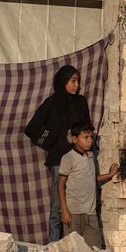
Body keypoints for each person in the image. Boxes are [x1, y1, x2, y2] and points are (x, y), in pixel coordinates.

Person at [25, 65, 93, 241]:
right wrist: (54, 139)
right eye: (72, 81)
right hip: (59, 161)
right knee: (57, 208)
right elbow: (31, 129)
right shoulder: (52, 103)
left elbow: (86, 129)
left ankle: (77, 247)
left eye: (78, 81)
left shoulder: (81, 102)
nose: (76, 85)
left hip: (79, 161)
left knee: (80, 206)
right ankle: (55, 248)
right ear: (63, 82)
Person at [58, 121, 119, 249]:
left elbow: (92, 178)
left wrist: (109, 175)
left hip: (90, 213)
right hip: (73, 214)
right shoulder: (68, 158)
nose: (90, 141)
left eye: (91, 137)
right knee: (73, 251)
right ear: (74, 139)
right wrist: (64, 210)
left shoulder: (91, 156)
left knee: (94, 250)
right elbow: (61, 185)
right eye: (85, 137)